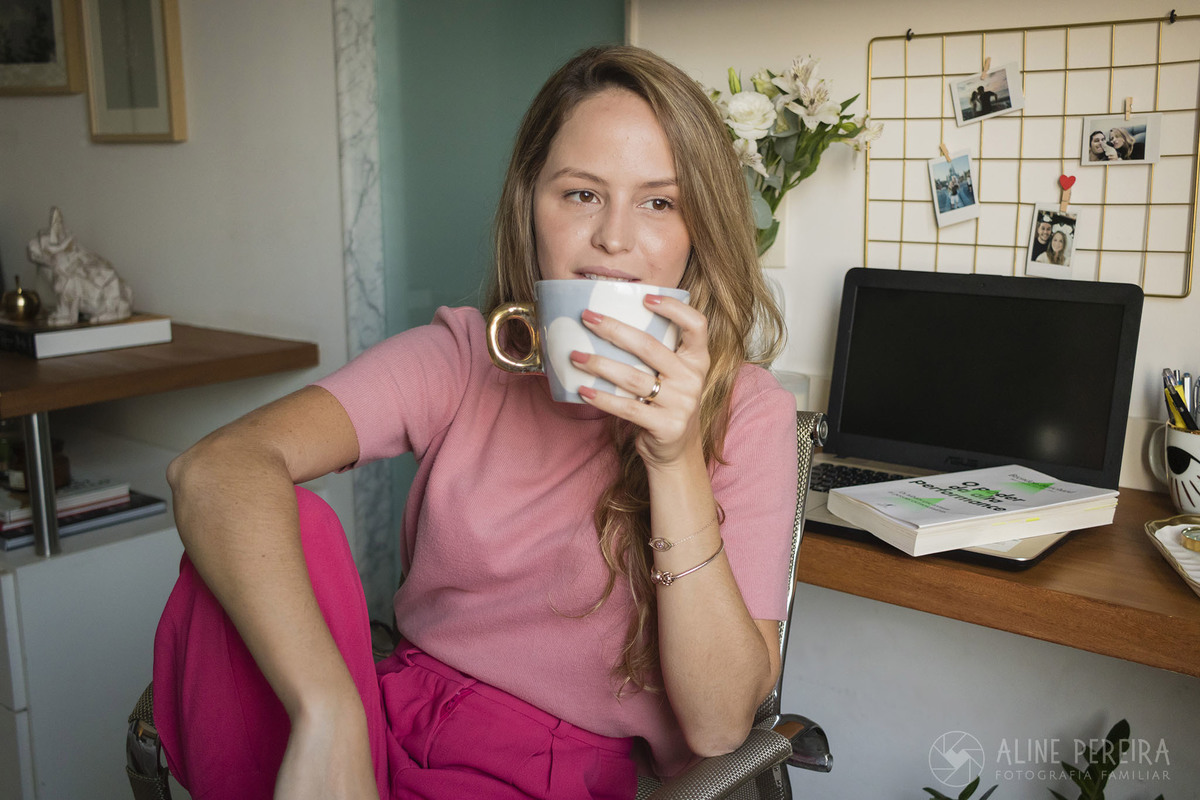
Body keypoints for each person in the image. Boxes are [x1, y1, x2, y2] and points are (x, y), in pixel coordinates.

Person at [152, 44, 797, 800]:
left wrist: (672, 454)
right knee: (271, 517)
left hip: (543, 776)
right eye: (581, 194)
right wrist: (327, 708)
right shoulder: (466, 356)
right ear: (532, 207)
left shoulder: (748, 411)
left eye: (661, 202)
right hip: (375, 736)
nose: (614, 240)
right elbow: (212, 468)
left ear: (699, 231)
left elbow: (721, 725)